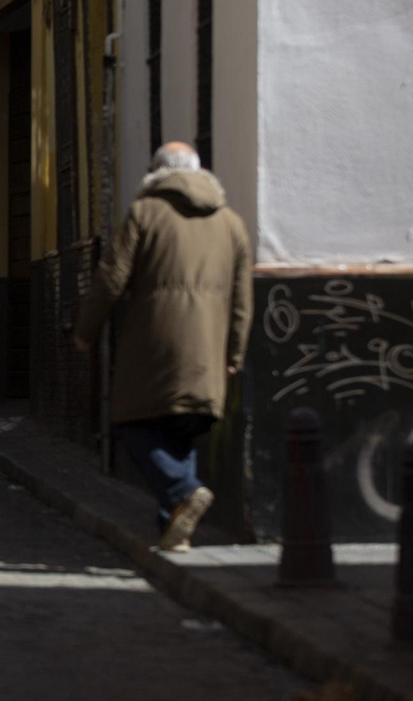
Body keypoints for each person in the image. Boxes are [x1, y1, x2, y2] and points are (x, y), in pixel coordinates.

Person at [74, 142, 252, 552]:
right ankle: (175, 530)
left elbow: (111, 280)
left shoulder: (145, 213)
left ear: (157, 173)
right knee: (181, 428)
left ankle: (183, 491)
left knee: (131, 422)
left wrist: (86, 329)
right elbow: (243, 298)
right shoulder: (231, 223)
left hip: (153, 345)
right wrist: (235, 354)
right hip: (209, 349)